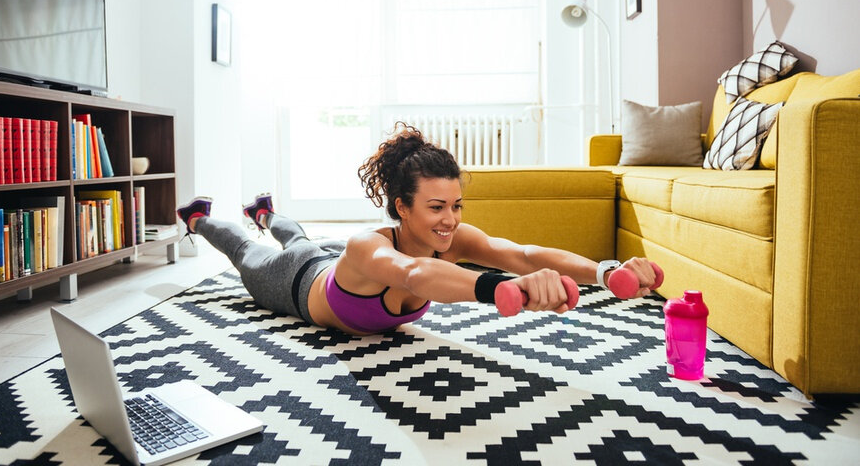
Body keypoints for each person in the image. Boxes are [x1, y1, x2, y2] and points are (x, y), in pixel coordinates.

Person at [176, 123, 661, 336]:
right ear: (402, 208)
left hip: (322, 260)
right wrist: (500, 288)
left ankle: (265, 211)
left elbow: (524, 255)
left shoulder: (451, 239)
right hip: (295, 280)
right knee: (249, 252)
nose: (450, 219)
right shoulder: (367, 247)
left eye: (456, 205)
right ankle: (200, 216)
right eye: (435, 207)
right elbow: (414, 276)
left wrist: (606, 271)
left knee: (300, 236)